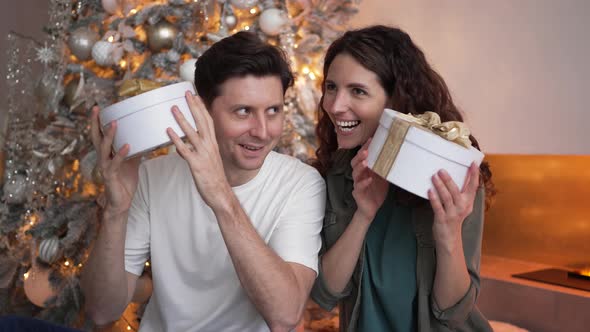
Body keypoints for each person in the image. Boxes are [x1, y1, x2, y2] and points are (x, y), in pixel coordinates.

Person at [81, 32, 326, 332]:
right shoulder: (151, 176)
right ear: (203, 112)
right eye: (244, 111)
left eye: (273, 111)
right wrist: (115, 212)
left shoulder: (301, 184)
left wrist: (220, 196)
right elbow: (101, 310)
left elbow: (285, 315)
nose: (263, 131)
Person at [310, 25, 495, 331]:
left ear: (395, 101)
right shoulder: (337, 174)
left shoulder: (451, 174)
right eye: (331, 87)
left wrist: (448, 233)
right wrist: (363, 215)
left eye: (357, 91)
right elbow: (326, 293)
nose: (334, 105)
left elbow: (453, 313)